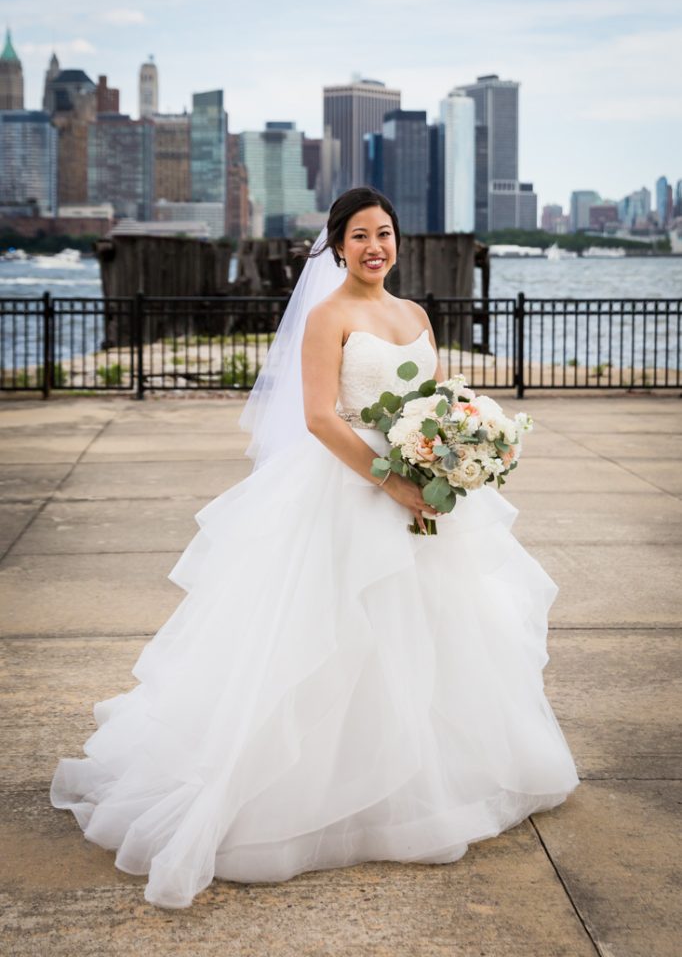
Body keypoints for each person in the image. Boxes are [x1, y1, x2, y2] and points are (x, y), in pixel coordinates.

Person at [50, 187, 580, 910]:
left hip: (424, 488)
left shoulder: (416, 315)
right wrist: (393, 483)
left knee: (438, 633)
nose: (374, 247)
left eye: (385, 233)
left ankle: (430, 777)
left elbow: (437, 396)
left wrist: (458, 443)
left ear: (399, 241)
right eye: (359, 235)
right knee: (335, 636)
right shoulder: (328, 317)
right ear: (337, 246)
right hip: (351, 488)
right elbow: (320, 419)